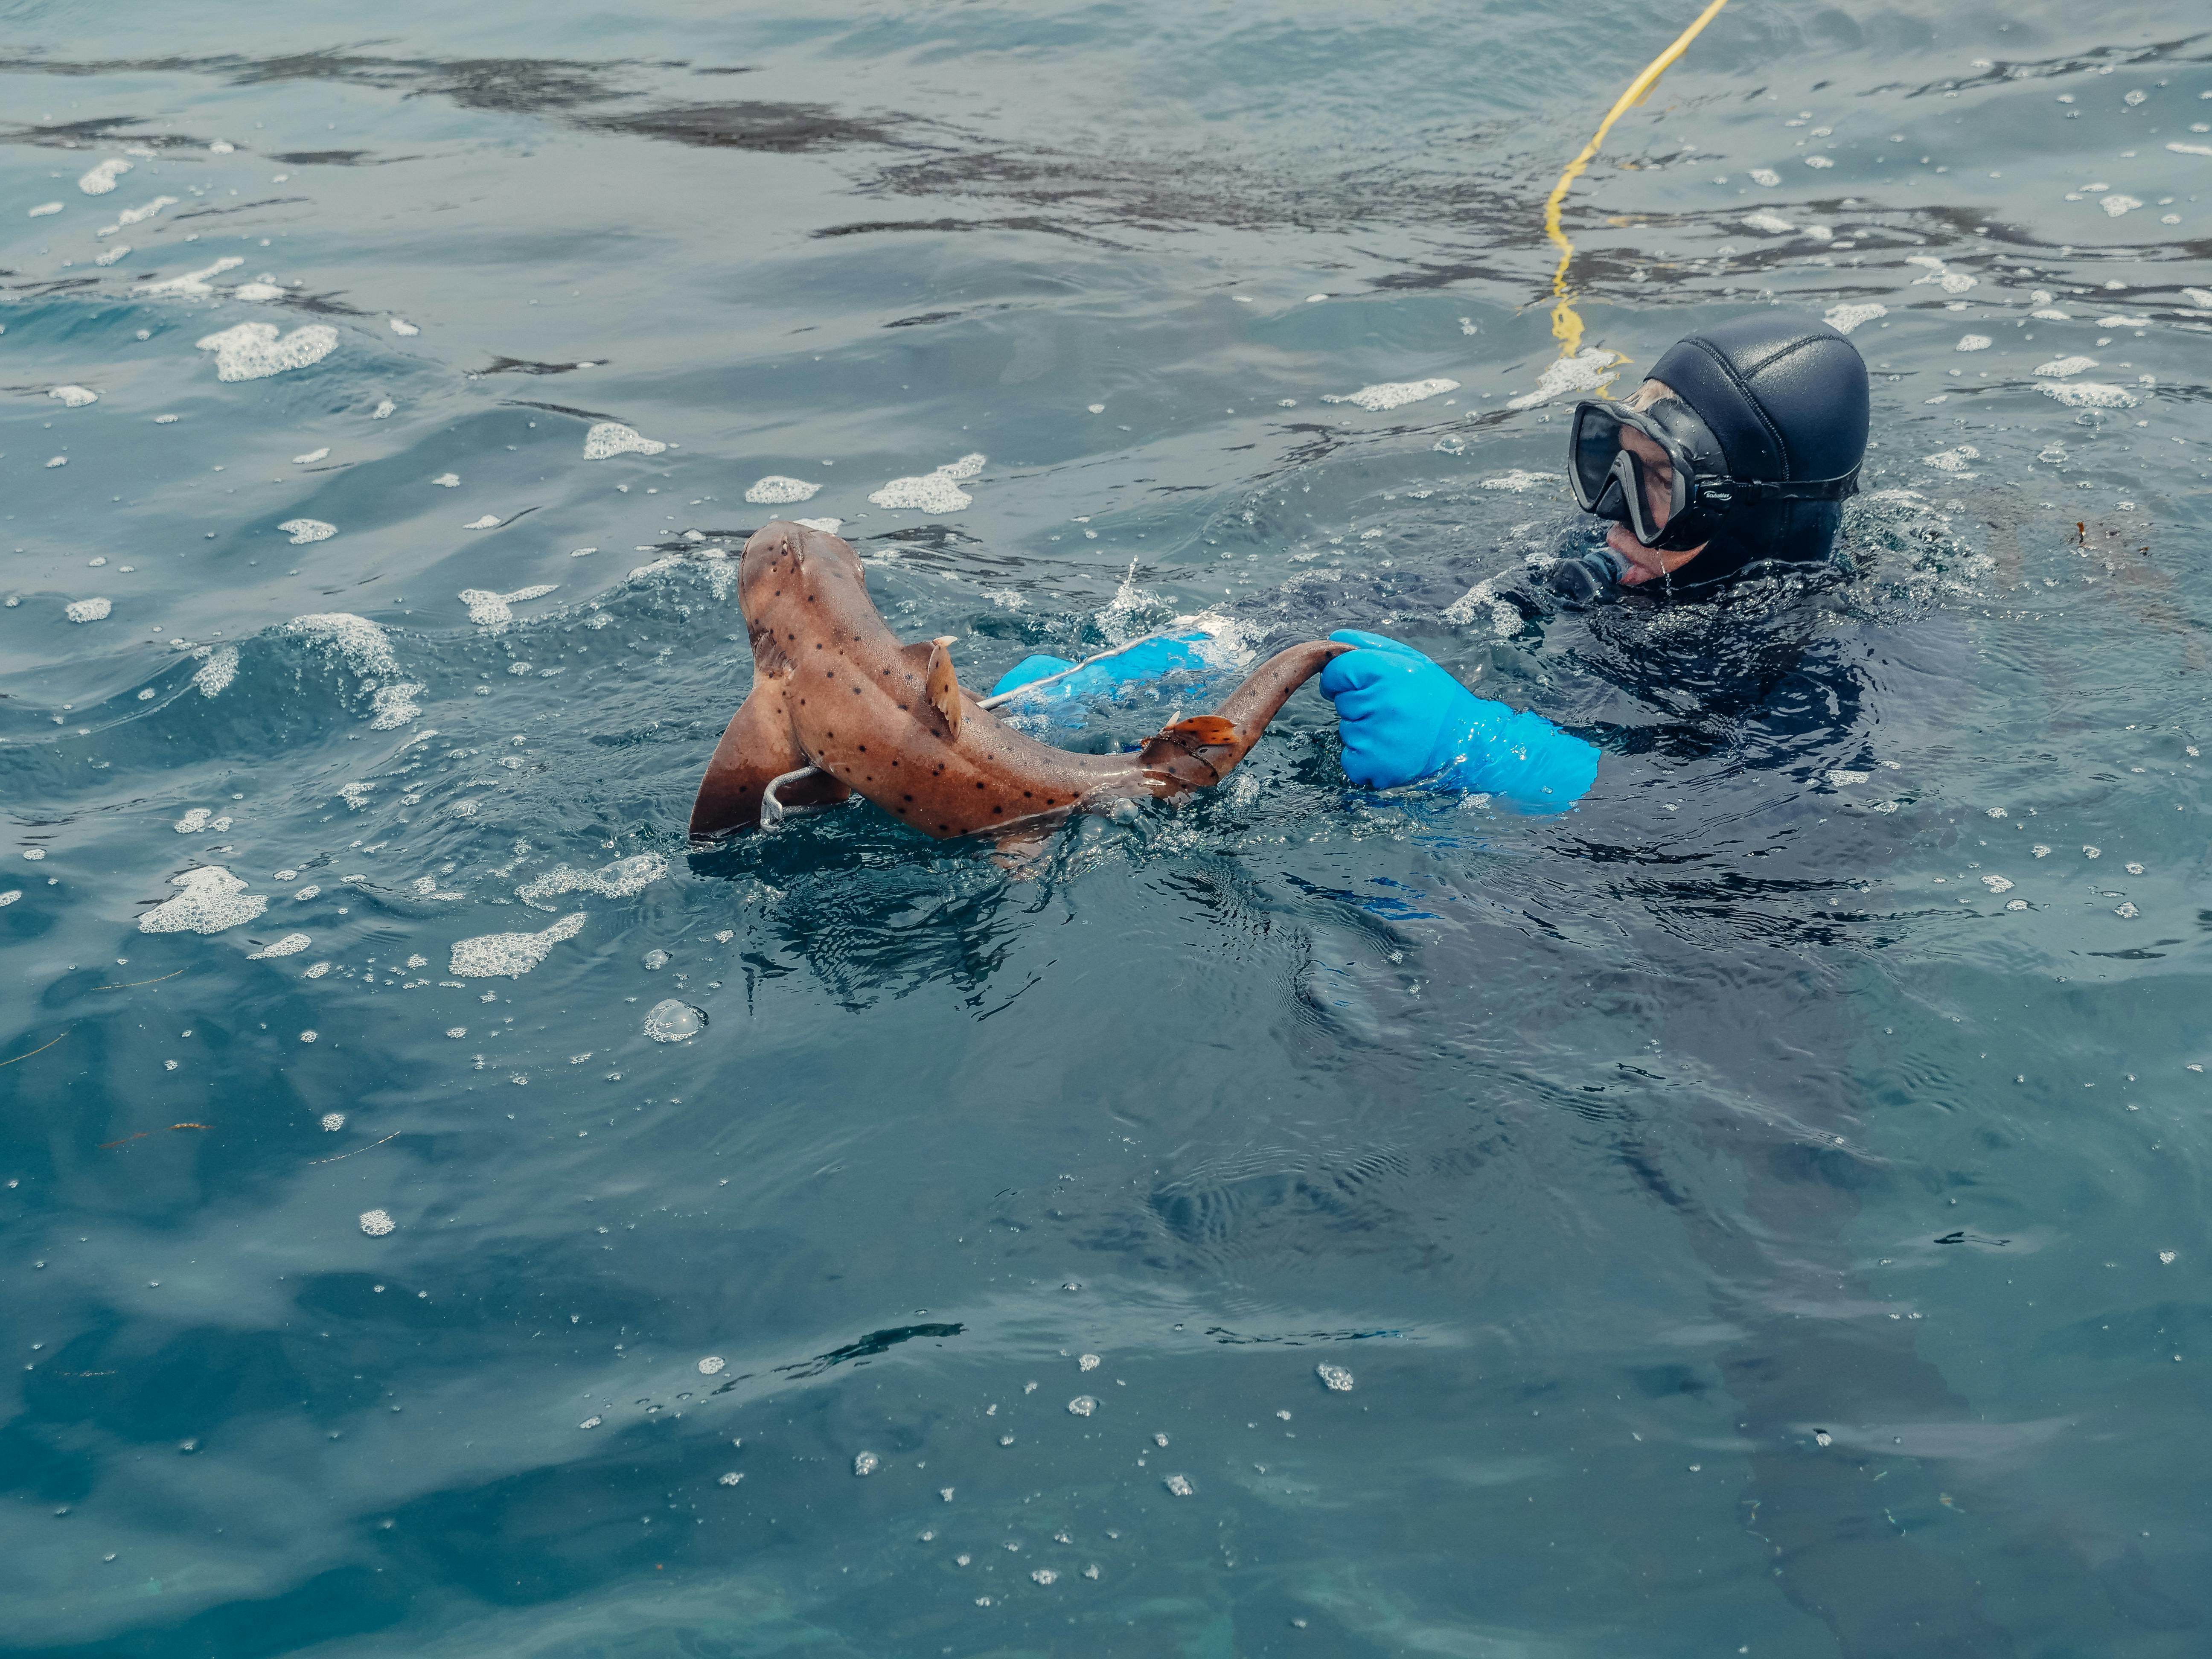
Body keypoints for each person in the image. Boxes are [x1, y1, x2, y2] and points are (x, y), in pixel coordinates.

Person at [992, 309, 1870, 813]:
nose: (1609, 517)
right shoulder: (1598, 561)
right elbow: (1376, 598)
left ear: (1749, 521)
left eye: (1656, 486)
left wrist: (1489, 753)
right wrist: (1191, 654)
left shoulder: (1833, 673)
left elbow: (1784, 834)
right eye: (1611, 464)